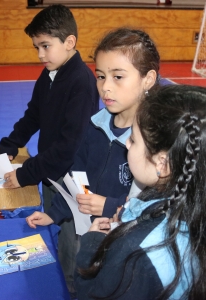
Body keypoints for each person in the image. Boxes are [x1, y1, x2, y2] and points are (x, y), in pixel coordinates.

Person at [26, 27, 160, 298]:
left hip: (126, 246)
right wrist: (55, 212)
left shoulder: (154, 141)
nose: (105, 87)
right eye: (100, 76)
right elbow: (77, 176)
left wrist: (109, 206)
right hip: (86, 232)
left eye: (118, 77)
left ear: (148, 79)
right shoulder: (96, 125)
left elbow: (158, 207)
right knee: (77, 280)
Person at [75, 84, 206, 299]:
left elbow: (93, 294)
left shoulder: (138, 255)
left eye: (134, 139)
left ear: (162, 163)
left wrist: (91, 244)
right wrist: (129, 219)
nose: (127, 143)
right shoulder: (185, 203)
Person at [0, 4, 99, 210]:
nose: (40, 55)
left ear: (69, 42)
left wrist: (27, 173)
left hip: (74, 179)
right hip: (51, 171)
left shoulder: (82, 82)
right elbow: (34, 114)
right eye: (37, 47)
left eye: (46, 46)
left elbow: (70, 147)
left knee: (72, 237)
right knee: (54, 228)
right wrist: (11, 144)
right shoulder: (50, 73)